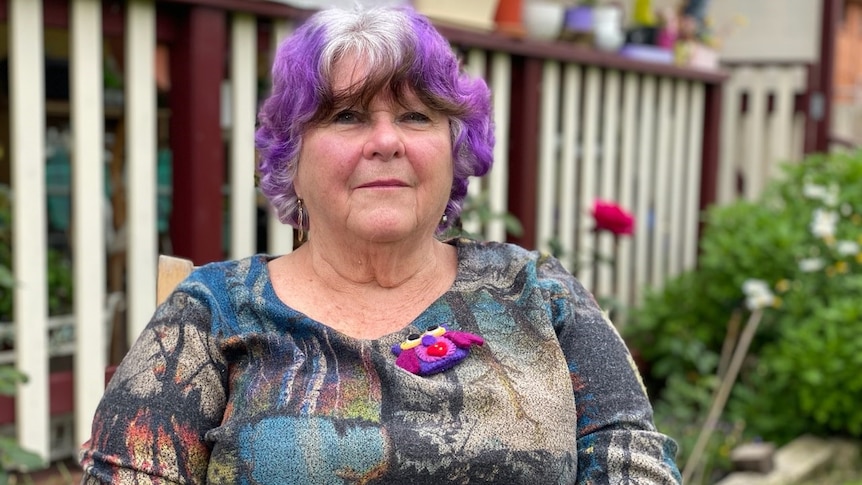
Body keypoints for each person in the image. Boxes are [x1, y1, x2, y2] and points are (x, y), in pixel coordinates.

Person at [79, 5, 682, 484]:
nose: (387, 141)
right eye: (347, 116)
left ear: (455, 149)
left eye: (417, 116)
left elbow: (634, 466)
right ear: (291, 157)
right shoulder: (214, 311)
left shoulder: (537, 295)